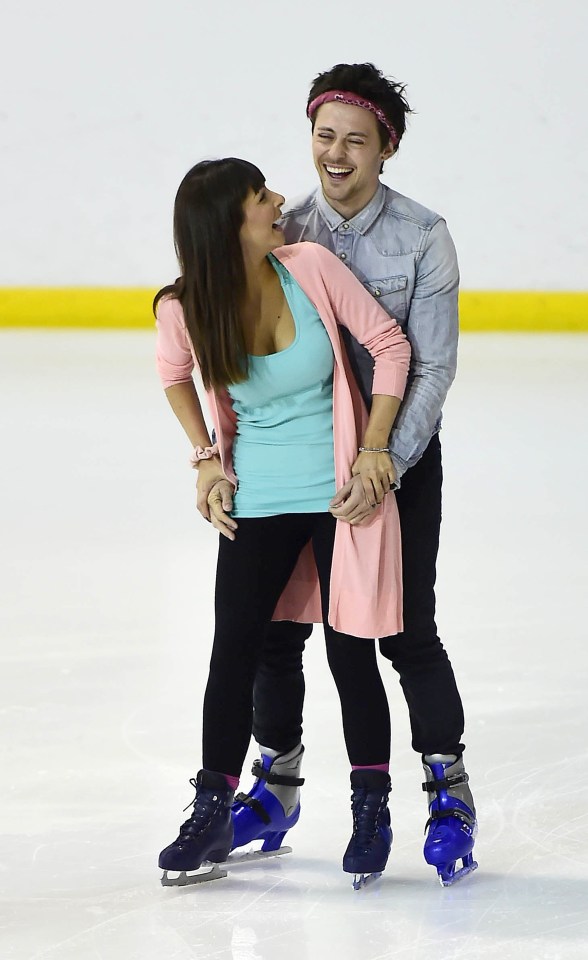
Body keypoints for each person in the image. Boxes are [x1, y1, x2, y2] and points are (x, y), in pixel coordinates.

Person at [205, 63, 478, 887]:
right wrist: (212, 460)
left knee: (400, 632)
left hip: (394, 465)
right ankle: (276, 787)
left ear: (386, 149)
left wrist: (382, 460)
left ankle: (448, 793)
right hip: (299, 471)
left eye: (356, 141)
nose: (336, 154)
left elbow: (430, 367)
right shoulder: (278, 225)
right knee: (277, 633)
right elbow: (218, 338)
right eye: (324, 136)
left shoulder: (424, 236)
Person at [154, 157, 411, 886]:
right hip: (258, 499)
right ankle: (212, 808)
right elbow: (173, 373)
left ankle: (371, 807)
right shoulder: (184, 307)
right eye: (260, 198)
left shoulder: (311, 268)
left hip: (340, 497)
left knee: (349, 652)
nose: (279, 203)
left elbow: (390, 347)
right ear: (227, 227)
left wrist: (371, 451)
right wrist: (206, 457)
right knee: (234, 649)